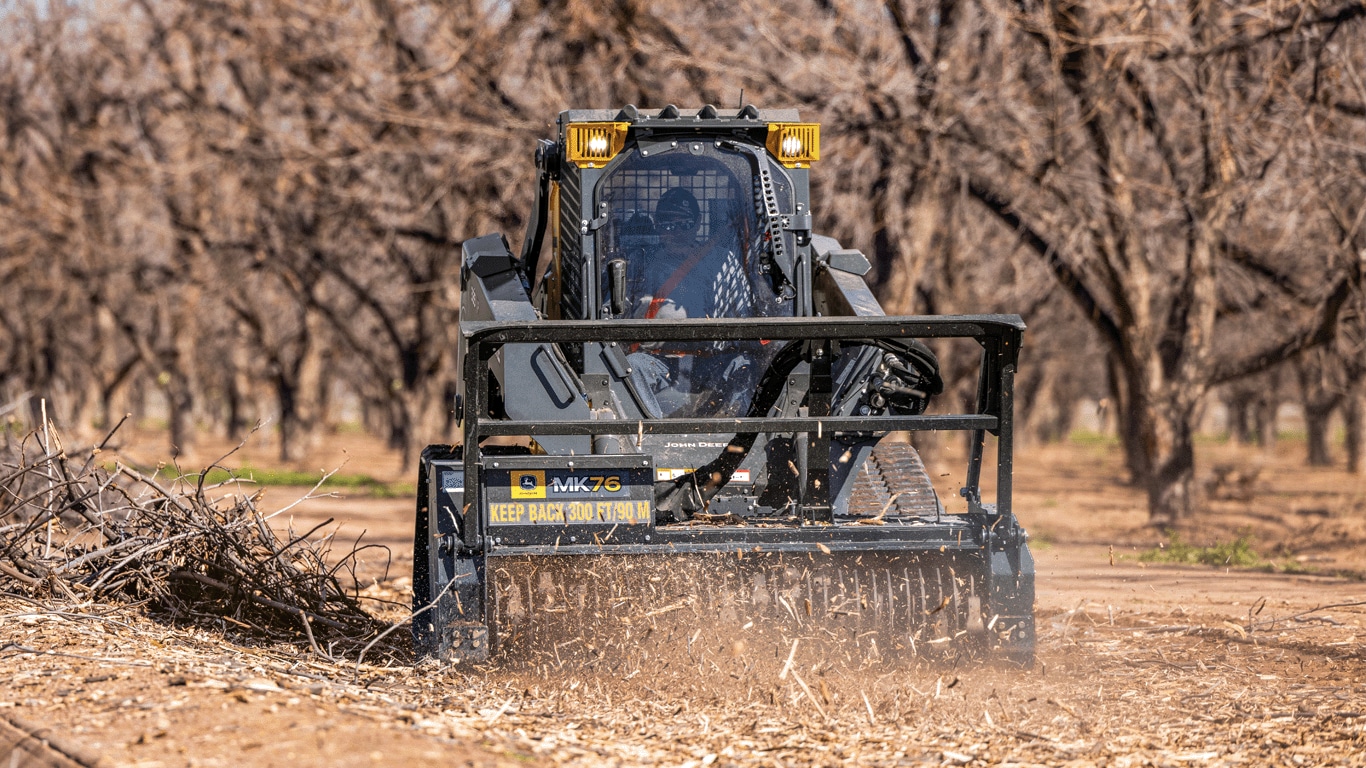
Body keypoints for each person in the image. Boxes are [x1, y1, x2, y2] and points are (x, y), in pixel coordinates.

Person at [626, 187, 760, 417]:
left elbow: (743, 311)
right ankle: (650, 430)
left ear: (698, 223)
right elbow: (622, 311)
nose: (676, 232)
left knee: (743, 364)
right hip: (657, 361)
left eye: (685, 224)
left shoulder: (722, 260)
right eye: (668, 225)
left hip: (710, 361)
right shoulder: (642, 262)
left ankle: (739, 432)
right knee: (631, 365)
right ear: (657, 225)